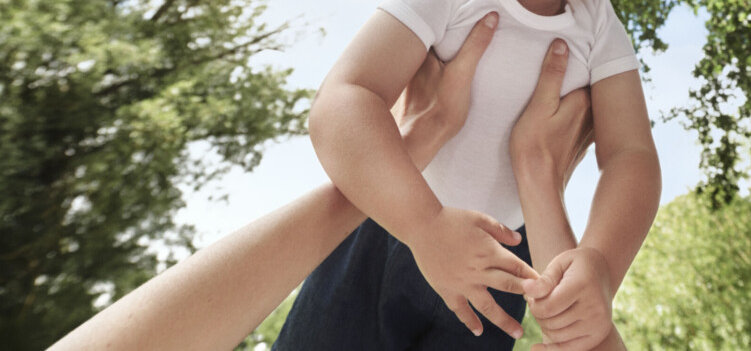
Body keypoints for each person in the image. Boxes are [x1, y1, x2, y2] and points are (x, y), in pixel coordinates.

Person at [277, 0, 662, 349]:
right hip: (385, 225)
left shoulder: (596, 24)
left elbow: (631, 157)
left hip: (503, 261)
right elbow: (344, 98)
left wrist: (599, 265)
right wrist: (424, 225)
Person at [47, 18, 595, 351]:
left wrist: (417, 144)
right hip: (453, 234)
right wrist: (533, 172)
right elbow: (339, 104)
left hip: (458, 237)